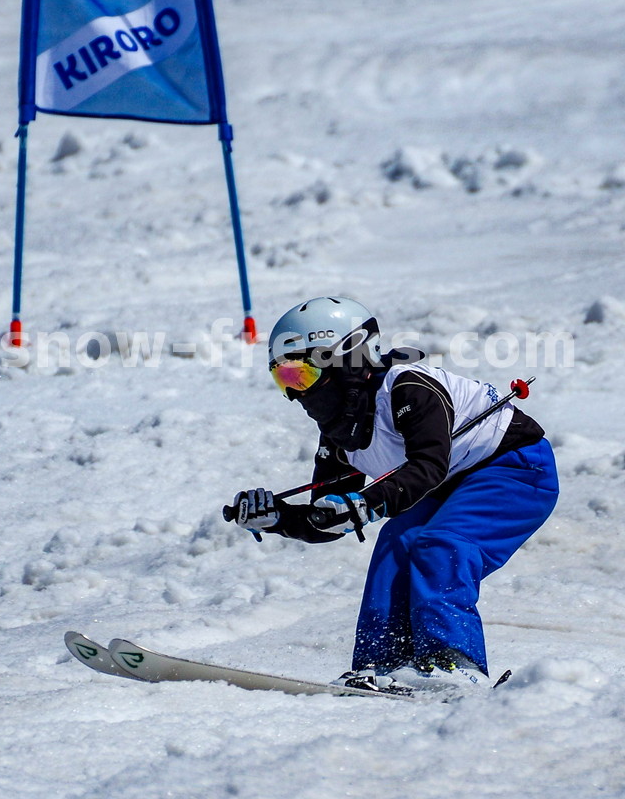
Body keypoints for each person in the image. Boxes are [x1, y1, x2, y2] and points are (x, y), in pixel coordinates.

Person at [225, 296, 558, 691]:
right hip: (449, 482)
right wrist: (279, 517)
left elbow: (428, 465)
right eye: (285, 380)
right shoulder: (341, 432)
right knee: (395, 543)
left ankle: (454, 665)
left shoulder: (408, 388)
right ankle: (381, 665)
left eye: (302, 375)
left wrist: (365, 505)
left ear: (345, 357)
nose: (297, 394)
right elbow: (327, 518)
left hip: (515, 469)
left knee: (440, 545)